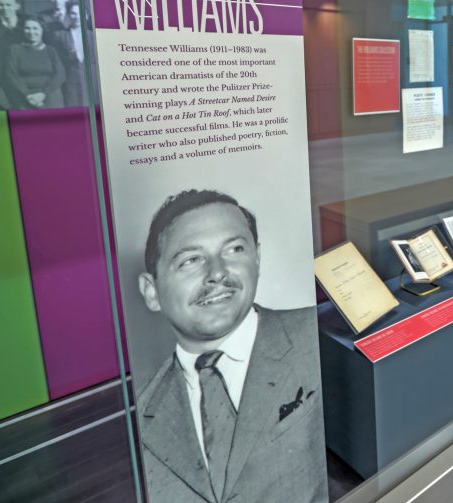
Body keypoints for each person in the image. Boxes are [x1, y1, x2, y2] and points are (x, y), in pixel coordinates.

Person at [136, 190, 326, 503]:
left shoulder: (317, 335)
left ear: (257, 259)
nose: (218, 273)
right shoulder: (142, 412)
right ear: (151, 291)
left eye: (234, 249)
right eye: (191, 260)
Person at [5, 18, 66, 109]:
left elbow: (60, 74)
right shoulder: (15, 49)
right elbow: (11, 74)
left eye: (35, 28)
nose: (31, 32)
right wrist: (27, 94)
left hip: (50, 92)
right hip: (24, 95)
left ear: (42, 30)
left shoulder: (50, 50)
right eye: (27, 28)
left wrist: (43, 93)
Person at [49, 1, 88, 106]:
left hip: (92, 83)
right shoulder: (59, 36)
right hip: (70, 83)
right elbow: (56, 62)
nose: (77, 17)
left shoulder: (94, 36)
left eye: (81, 13)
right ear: (68, 15)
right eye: (73, 13)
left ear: (87, 16)